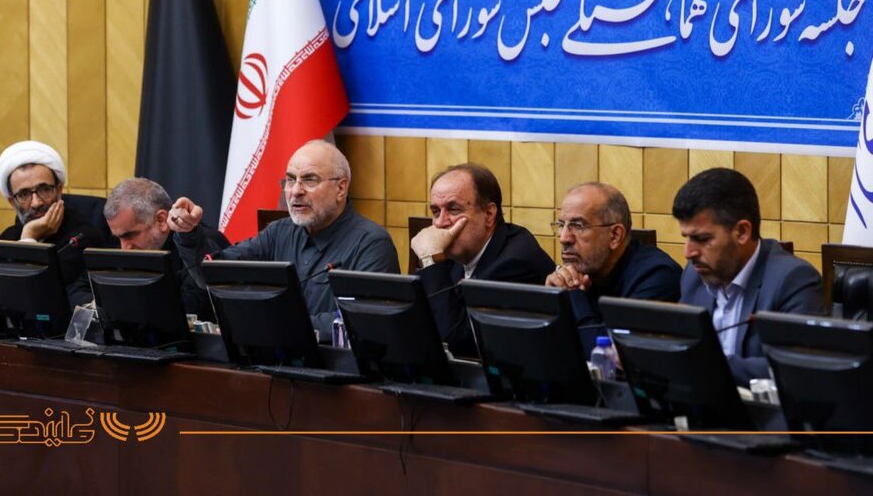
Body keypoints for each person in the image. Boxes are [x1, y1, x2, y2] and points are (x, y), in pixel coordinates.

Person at [170, 140, 399, 340]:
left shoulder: (371, 243)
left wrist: (275, 324)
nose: (296, 191)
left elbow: (365, 321)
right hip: (274, 359)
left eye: (310, 180)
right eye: (290, 180)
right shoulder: (278, 232)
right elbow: (215, 274)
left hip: (336, 368)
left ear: (340, 188)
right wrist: (189, 233)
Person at [672, 167, 824, 386]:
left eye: (702, 239)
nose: (688, 253)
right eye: (686, 238)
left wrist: (702, 363)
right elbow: (679, 343)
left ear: (742, 232)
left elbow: (797, 368)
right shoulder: (694, 275)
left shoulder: (792, 280)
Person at [410, 163, 556, 358]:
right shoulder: (459, 253)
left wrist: (431, 259)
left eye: (454, 209)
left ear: (489, 214)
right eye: (436, 212)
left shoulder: (514, 264)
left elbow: (457, 343)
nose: (440, 223)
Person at [545, 182, 681, 354]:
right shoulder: (582, 273)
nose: (564, 238)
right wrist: (552, 303)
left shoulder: (657, 276)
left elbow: (608, 356)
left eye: (578, 226)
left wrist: (574, 297)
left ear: (615, 235)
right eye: (561, 225)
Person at [0, 141, 105, 307]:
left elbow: (34, 293)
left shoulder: (83, 237)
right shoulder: (10, 236)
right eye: (24, 194)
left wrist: (29, 237)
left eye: (44, 189)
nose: (36, 203)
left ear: (59, 190)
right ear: (12, 201)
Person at [103, 177, 229, 320]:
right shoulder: (128, 239)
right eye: (118, 238)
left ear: (161, 220)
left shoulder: (204, 246)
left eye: (130, 235)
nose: (124, 248)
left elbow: (189, 310)